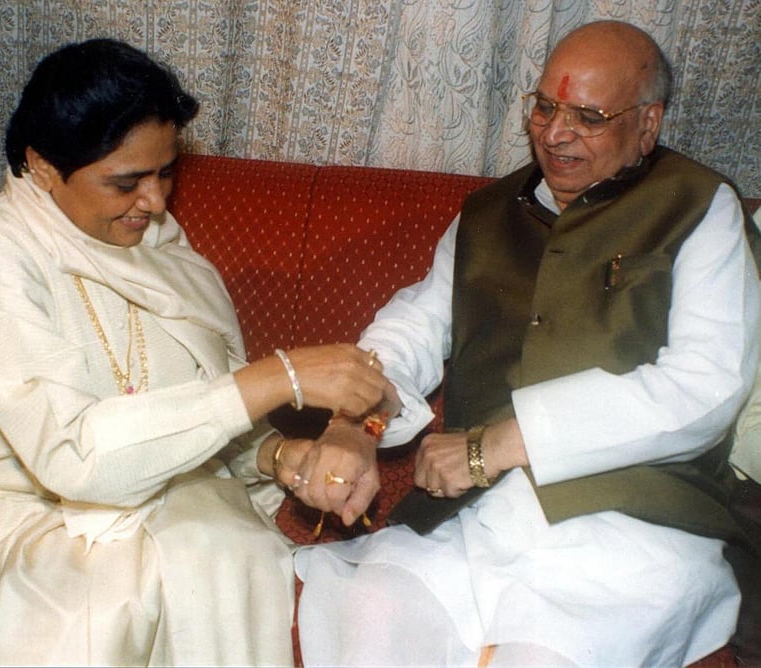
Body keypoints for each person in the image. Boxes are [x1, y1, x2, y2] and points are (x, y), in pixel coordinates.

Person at [0, 38, 389, 667]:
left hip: (158, 489)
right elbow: (75, 455)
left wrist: (281, 454)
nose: (155, 202)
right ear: (41, 166)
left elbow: (193, 404)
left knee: (227, 550)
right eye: (126, 182)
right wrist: (282, 375)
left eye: (166, 172)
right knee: (118, 595)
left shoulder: (154, 239)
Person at [278, 20, 761, 668]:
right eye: (544, 107)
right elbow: (415, 327)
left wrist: (498, 444)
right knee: (375, 612)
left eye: (588, 116)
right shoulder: (487, 213)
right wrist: (355, 421)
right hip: (478, 522)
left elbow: (705, 385)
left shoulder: (702, 206)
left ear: (648, 124)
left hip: (634, 529)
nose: (555, 134)